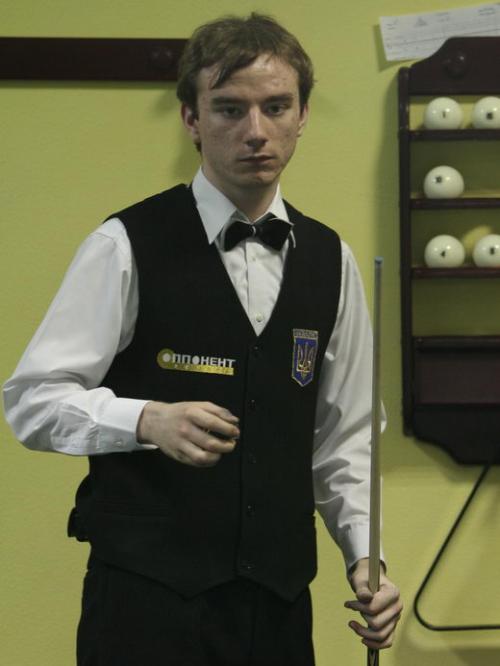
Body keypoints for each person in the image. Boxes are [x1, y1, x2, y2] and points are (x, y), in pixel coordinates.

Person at [3, 12, 402, 666]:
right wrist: (145, 420)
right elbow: (32, 400)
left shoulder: (333, 260)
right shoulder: (123, 245)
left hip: (276, 610)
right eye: (229, 109)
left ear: (302, 115)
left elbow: (345, 436)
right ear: (191, 118)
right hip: (144, 611)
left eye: (277, 107)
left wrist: (366, 557)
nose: (256, 130)